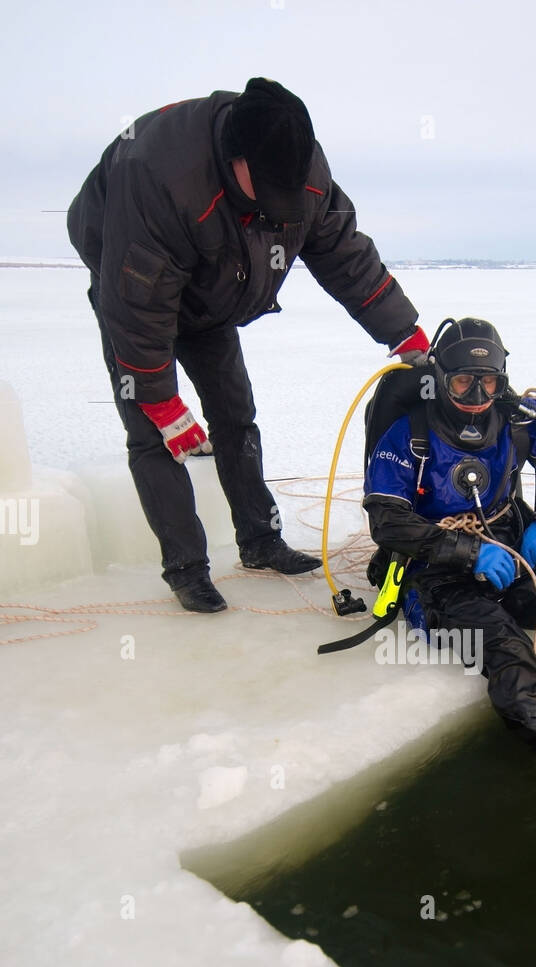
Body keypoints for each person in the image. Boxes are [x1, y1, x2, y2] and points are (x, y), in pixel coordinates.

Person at [67, 78, 429, 612]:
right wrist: (162, 400)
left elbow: (343, 252)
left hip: (211, 293)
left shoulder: (299, 165)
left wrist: (404, 331)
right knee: (153, 431)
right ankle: (186, 568)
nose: (285, 205)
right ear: (235, 159)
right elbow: (136, 303)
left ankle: (261, 541)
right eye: (269, 189)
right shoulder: (162, 175)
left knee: (236, 413)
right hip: (130, 288)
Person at [363, 316, 536, 780]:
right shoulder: (408, 433)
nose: (476, 397)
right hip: (432, 577)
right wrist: (466, 553)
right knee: (502, 640)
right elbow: (387, 520)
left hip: (509, 560)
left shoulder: (518, 420)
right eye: (463, 383)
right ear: (438, 379)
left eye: (488, 382)